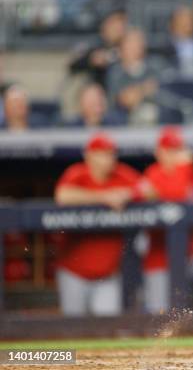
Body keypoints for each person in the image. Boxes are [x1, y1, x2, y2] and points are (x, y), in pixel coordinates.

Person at [54, 133, 146, 316]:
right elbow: (62, 196)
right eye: (102, 153)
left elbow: (149, 188)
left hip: (107, 275)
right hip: (74, 273)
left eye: (111, 153)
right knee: (73, 329)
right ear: (89, 155)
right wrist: (104, 197)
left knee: (108, 328)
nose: (108, 158)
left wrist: (128, 194)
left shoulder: (121, 173)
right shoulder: (77, 173)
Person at [141, 127, 193, 314]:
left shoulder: (190, 173)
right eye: (168, 150)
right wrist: (184, 167)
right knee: (159, 312)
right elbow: (177, 195)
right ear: (159, 152)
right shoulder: (153, 173)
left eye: (177, 150)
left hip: (189, 254)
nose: (173, 155)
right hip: (159, 257)